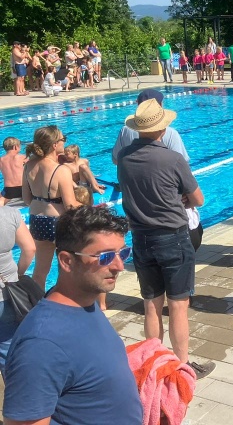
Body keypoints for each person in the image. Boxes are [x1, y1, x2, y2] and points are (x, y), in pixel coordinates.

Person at [2, 206, 142, 424]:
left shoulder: (85, 302)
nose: (120, 266)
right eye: (105, 257)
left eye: (123, 252)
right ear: (67, 261)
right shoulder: (42, 344)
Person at [116, 99, 212, 378]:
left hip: (141, 239)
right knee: (179, 306)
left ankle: (152, 364)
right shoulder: (172, 158)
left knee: (151, 304)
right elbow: (199, 200)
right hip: (173, 237)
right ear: (163, 127)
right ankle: (181, 367)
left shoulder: (124, 158)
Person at [22, 127, 79, 288]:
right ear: (55, 145)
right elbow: (70, 205)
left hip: (37, 220)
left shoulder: (28, 166)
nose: (65, 142)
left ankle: (36, 304)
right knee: (67, 268)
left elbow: (27, 200)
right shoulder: (61, 170)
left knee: (40, 271)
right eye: (63, 139)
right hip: (58, 222)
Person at [0, 205, 35, 373]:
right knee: (8, 350)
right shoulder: (9, 213)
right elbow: (29, 249)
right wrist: (18, 274)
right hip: (6, 292)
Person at [112, 90, 189, 164]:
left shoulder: (125, 131)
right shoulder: (171, 134)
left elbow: (116, 160)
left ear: (138, 106)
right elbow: (182, 164)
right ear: (161, 105)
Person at [0, 138, 26, 206]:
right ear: (15, 147)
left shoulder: (1, 160)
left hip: (9, 190)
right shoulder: (22, 157)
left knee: (1, 199)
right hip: (23, 188)